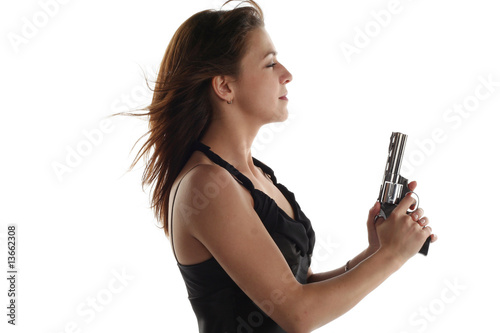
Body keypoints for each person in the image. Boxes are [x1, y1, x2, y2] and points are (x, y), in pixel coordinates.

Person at [125, 1, 437, 332]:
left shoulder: (256, 174)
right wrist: (392, 256)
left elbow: (300, 286)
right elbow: (297, 313)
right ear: (225, 86)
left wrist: (375, 252)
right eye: (270, 64)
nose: (287, 74)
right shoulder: (206, 185)